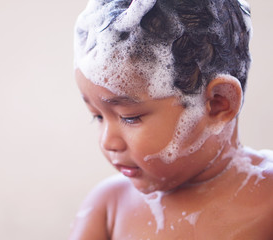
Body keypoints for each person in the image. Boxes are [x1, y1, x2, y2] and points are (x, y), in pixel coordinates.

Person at [69, 0, 273, 239]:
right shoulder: (108, 208)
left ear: (218, 103)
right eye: (97, 117)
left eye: (130, 117)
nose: (107, 142)